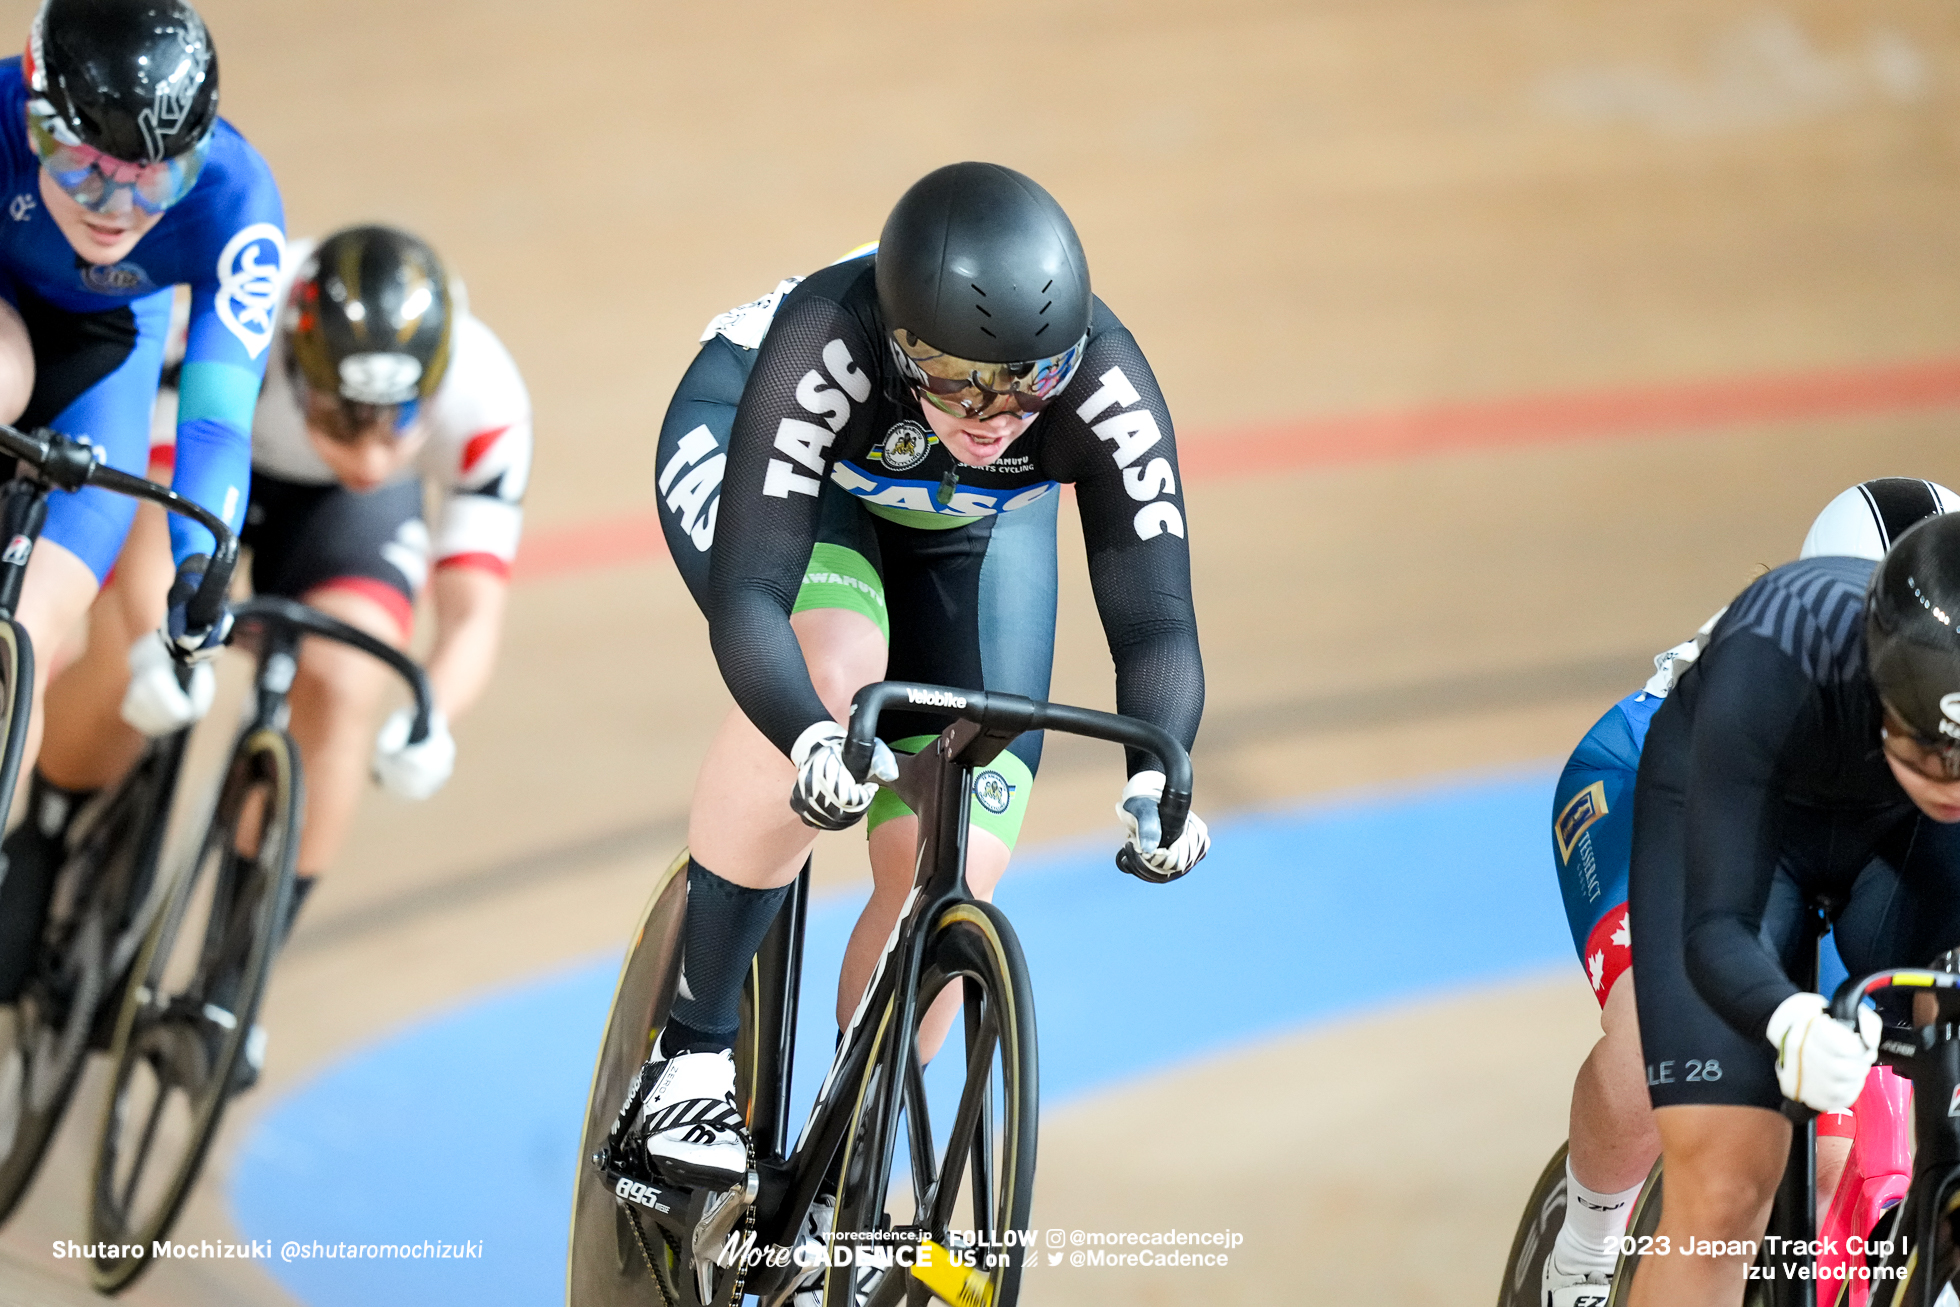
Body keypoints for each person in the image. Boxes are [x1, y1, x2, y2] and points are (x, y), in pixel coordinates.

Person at [614, 162, 1211, 1191]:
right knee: (839, 666)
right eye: (961, 382)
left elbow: (1155, 621)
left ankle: (840, 1169)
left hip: (962, 519)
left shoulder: (1100, 388)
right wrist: (808, 731)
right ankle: (691, 1053)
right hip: (769, 449)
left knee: (961, 857)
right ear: (900, 348)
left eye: (1030, 384)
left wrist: (1161, 772)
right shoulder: (826, 340)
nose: (996, 415)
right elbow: (753, 596)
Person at [15, 224, 530, 996]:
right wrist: (160, 637)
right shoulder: (230, 320)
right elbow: (156, 523)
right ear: (300, 367)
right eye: (343, 420)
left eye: (396, 425)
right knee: (130, 646)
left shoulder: (486, 395)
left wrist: (435, 715)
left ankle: (242, 961)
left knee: (346, 683)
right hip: (215, 447)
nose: (373, 455)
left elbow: (471, 613)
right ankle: (43, 836)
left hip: (343, 517)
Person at [1540, 477, 1960, 1307]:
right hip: (1678, 786)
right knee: (1649, 1062)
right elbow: (1715, 921)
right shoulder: (1768, 664)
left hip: (1885, 820)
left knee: (1867, 1136)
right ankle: (1583, 1253)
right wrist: (1780, 1012)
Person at [0, 0, 284, 999]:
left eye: (152, 178)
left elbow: (212, 428)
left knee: (29, 636)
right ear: (33, 120)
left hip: (104, 361)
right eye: (80, 166)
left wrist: (203, 561)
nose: (115, 208)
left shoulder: (239, 201)